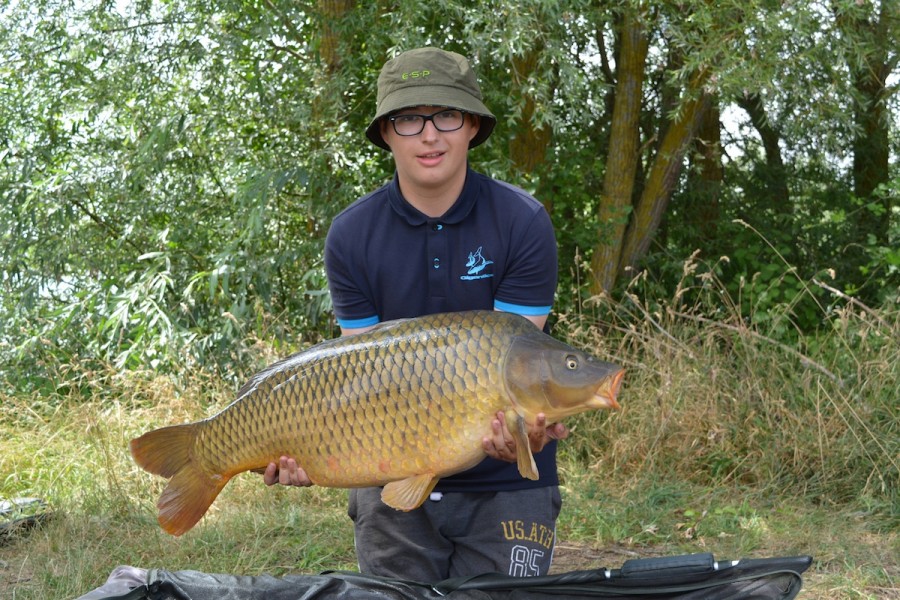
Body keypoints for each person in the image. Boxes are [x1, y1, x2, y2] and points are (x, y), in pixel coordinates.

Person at [263, 47, 566, 582]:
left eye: (446, 115)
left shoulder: (523, 221)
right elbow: (357, 377)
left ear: (472, 125)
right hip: (390, 473)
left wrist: (525, 432)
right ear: (386, 133)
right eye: (409, 119)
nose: (430, 135)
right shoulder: (351, 235)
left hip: (509, 482)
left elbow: (522, 369)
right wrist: (305, 445)